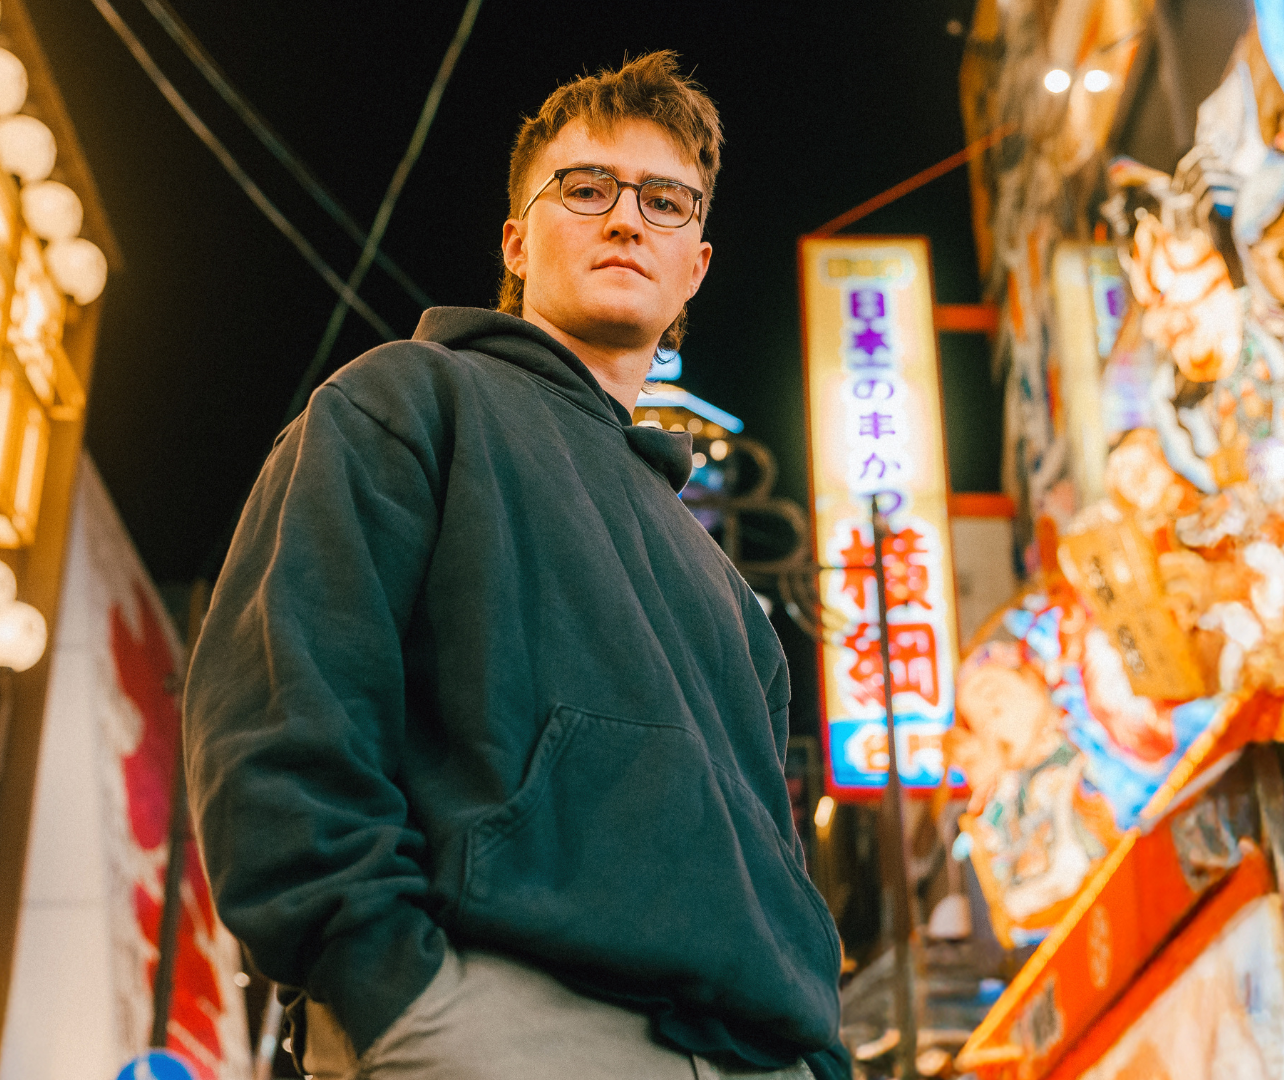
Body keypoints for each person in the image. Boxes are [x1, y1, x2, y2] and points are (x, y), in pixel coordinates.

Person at [183, 51, 847, 1080]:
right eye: (586, 189)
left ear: (695, 266)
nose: (627, 219)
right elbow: (277, 717)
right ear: (516, 240)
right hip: (500, 1026)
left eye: (665, 200)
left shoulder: (726, 589)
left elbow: (774, 856)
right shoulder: (406, 402)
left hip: (756, 1048)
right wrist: (397, 998)